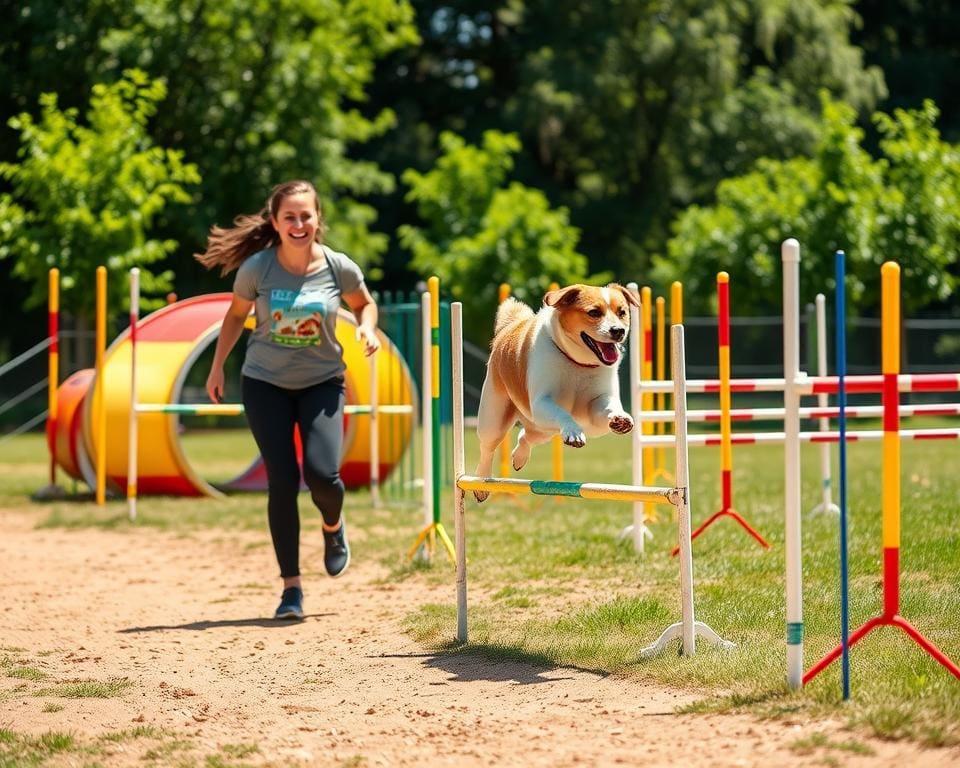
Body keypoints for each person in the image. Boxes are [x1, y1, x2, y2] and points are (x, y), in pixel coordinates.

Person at [196, 179, 380, 620]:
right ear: (276, 223)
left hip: (322, 383)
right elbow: (236, 316)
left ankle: (333, 527)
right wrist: (217, 365)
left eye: (306, 216)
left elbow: (365, 304)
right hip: (265, 384)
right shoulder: (258, 269)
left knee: (322, 474)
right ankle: (291, 589)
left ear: (318, 220)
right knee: (281, 480)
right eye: (289, 217)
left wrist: (367, 328)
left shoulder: (339, 268)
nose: (299, 224)